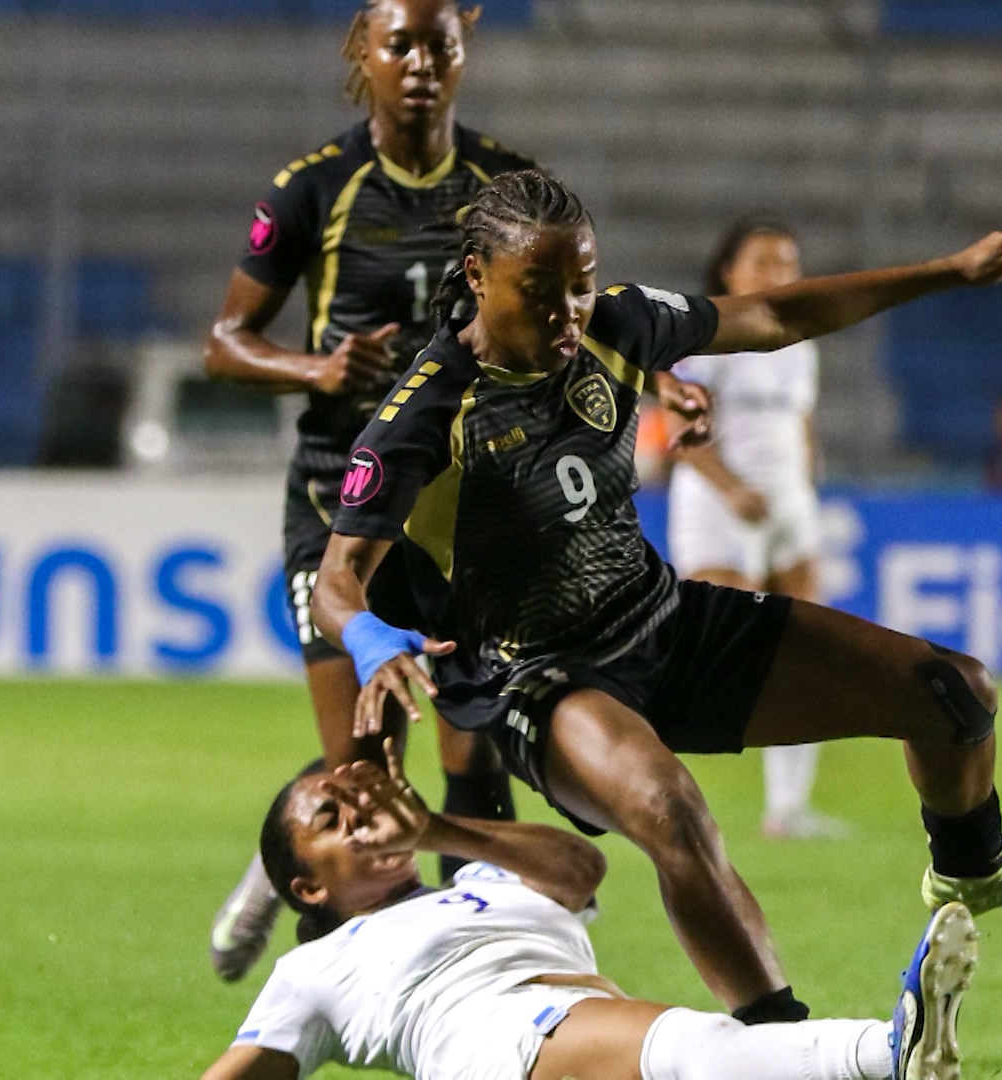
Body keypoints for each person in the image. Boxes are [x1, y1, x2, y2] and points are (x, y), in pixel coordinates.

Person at [311, 169, 1002, 1024]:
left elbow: (778, 317)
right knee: (671, 811)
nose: (567, 312)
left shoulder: (616, 324)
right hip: (543, 677)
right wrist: (367, 639)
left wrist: (951, 270)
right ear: (477, 275)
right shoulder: (423, 415)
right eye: (539, 291)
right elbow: (337, 579)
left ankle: (972, 867)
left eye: (579, 285)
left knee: (956, 694)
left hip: (663, 620)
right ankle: (783, 1047)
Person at [198, 0, 709, 980]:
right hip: (341, 511)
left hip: (470, 517)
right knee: (364, 773)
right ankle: (321, 946)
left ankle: (487, 978)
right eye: (402, 44)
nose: (422, 63)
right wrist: (318, 371)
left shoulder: (506, 184)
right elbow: (224, 343)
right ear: (367, 55)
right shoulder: (313, 189)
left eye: (441, 44)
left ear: (465, 54)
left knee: (477, 751)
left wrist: (657, 374)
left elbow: (578, 311)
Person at [199, 751, 979, 1080]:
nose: (362, 820)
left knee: (693, 1053)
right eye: (333, 821)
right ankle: (886, 1053)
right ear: (306, 889)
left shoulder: (484, 876)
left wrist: (434, 828)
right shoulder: (310, 972)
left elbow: (583, 867)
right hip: (496, 1044)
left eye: (364, 803)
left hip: (570, 1032)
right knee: (693, 1046)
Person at [668, 217, 846, 840]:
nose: (779, 275)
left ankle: (788, 809)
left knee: (808, 652)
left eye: (788, 263)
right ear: (729, 271)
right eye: (764, 262)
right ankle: (645, 792)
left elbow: (798, 426)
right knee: (720, 656)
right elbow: (680, 432)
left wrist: (804, 482)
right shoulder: (710, 337)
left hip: (787, 505)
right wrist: (731, 488)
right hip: (721, 506)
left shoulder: (803, 342)